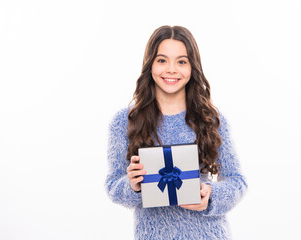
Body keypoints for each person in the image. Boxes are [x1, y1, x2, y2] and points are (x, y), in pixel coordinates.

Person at [105, 25, 247, 240]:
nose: (171, 69)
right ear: (150, 64)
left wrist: (210, 195)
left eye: (181, 61)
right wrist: (132, 185)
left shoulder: (212, 120)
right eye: (162, 60)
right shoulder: (125, 122)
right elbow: (113, 185)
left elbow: (237, 181)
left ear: (192, 68)